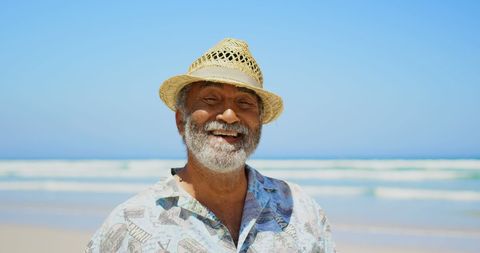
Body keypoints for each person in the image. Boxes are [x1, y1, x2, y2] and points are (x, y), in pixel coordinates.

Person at [86, 38, 335, 253]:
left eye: (245, 103)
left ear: (259, 122)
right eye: (211, 99)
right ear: (181, 119)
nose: (229, 115)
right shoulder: (131, 225)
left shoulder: (301, 211)